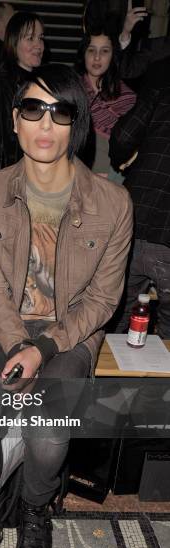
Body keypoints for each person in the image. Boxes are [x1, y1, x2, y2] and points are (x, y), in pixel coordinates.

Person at [0, 64, 133, 548]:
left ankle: (34, 509)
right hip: (4, 326)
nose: (45, 124)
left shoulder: (113, 203)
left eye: (61, 111)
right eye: (33, 109)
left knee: (48, 433)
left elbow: (103, 299)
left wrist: (43, 348)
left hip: (70, 336)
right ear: (14, 120)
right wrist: (15, 345)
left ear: (79, 123)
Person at [109, 57, 170, 338]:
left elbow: (124, 135)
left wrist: (123, 160)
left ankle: (104, 383)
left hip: (138, 218)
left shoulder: (164, 70)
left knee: (115, 318)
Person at [0, 11, 45, 167]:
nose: (38, 45)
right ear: (14, 42)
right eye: (30, 38)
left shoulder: (45, 84)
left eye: (41, 38)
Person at [76, 30, 136, 178]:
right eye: (91, 50)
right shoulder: (72, 90)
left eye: (104, 51)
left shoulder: (128, 97)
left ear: (112, 56)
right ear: (83, 54)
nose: (97, 57)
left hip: (117, 171)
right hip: (79, 169)